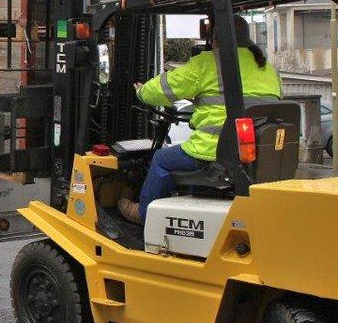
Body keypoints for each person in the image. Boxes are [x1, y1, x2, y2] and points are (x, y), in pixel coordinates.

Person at [118, 15, 283, 224]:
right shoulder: (268, 68)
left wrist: (142, 92)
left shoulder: (208, 62)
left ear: (215, 39)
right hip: (256, 153)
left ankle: (143, 213)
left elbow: (163, 89)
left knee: (161, 159)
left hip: (215, 151)